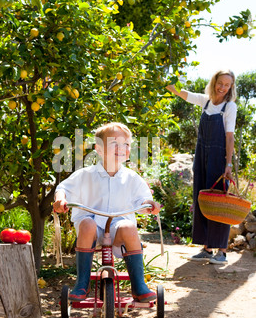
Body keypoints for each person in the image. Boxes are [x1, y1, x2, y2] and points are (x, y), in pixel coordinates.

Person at [53, 122, 161, 302]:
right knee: (87, 223)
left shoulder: (132, 178)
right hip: (91, 233)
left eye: (126, 144)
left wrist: (149, 203)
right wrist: (60, 199)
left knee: (127, 225)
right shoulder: (85, 174)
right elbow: (63, 187)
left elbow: (142, 199)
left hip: (118, 232)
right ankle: (82, 283)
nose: (122, 148)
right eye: (114, 144)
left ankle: (139, 285)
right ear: (99, 149)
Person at [166, 70, 237, 264]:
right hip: (202, 156)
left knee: (220, 202)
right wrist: (164, 78)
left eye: (227, 85)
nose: (222, 87)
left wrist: (228, 164)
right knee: (202, 199)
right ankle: (206, 248)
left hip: (219, 158)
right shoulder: (205, 101)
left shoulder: (229, 106)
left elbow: (229, 137)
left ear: (231, 87)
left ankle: (221, 252)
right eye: (220, 83)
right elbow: (179, 92)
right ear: (214, 82)